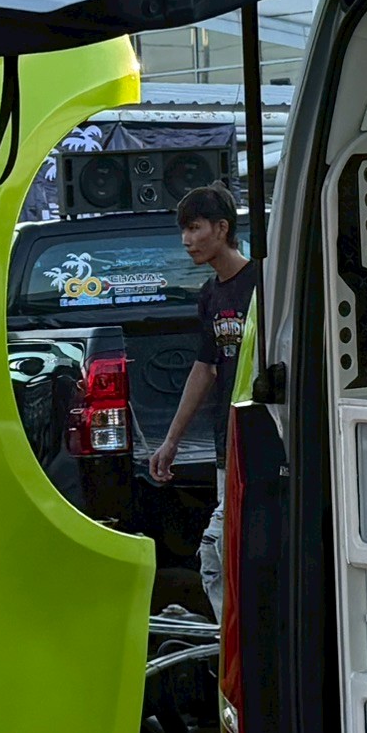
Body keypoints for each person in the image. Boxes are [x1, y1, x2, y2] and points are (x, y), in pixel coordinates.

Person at [149, 184, 257, 619]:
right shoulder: (211, 295)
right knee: (228, 553)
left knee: (217, 553)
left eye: (194, 228)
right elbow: (205, 369)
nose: (186, 240)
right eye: (184, 230)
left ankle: (233, 641)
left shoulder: (262, 283)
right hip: (225, 445)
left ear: (222, 228)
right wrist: (171, 441)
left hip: (260, 441)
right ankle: (233, 638)